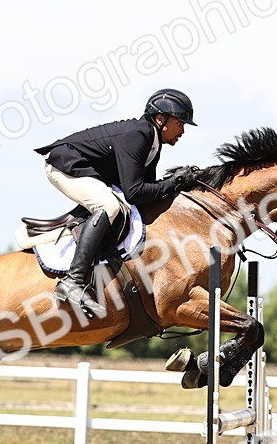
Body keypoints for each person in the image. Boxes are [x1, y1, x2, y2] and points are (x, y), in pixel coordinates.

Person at [34, 88, 201, 318]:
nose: (182, 130)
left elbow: (147, 194)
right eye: (179, 123)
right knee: (109, 206)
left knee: (121, 208)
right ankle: (73, 280)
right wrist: (174, 182)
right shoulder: (138, 135)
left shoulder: (153, 144)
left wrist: (179, 184)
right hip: (65, 163)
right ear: (160, 119)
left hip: (87, 169)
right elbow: (134, 192)